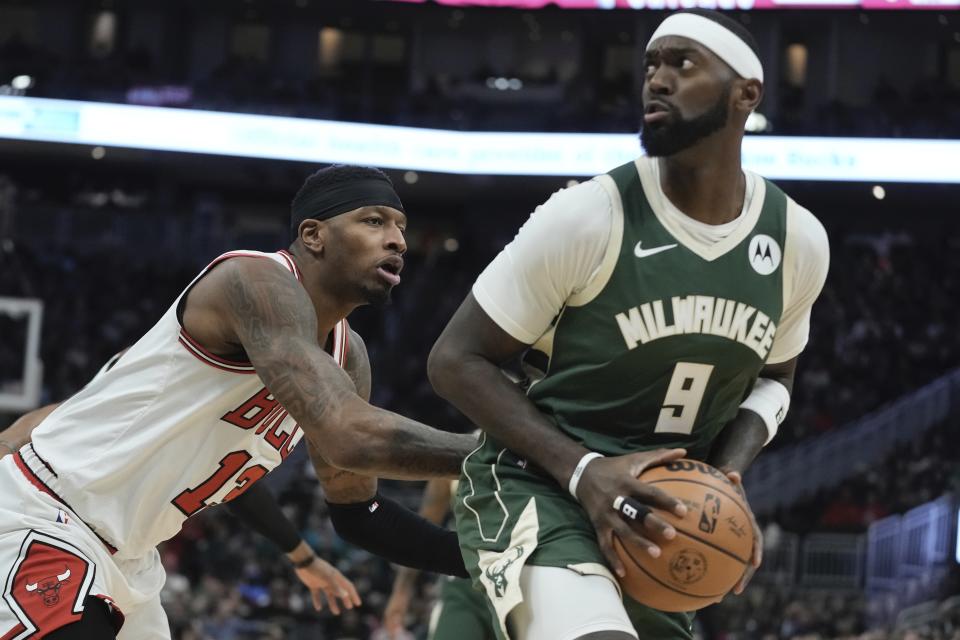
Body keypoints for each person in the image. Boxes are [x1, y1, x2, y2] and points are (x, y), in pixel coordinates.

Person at [428, 10, 830, 640]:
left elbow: (775, 379)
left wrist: (724, 478)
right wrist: (584, 470)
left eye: (683, 64)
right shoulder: (587, 216)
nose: (657, 80)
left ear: (746, 94)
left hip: (659, 510)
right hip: (541, 487)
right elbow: (454, 360)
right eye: (651, 65)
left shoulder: (797, 241)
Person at [0, 164, 474, 640]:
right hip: (45, 518)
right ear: (313, 235)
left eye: (401, 228)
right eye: (375, 221)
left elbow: (359, 515)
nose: (398, 241)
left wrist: (487, 560)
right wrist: (502, 455)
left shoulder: (348, 359)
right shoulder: (252, 280)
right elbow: (350, 436)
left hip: (130, 561)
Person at [0, 350, 360, 616]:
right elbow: (57, 416)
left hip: (133, 554)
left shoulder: (247, 398)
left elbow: (237, 484)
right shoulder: (172, 368)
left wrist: (302, 557)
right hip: (63, 517)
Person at [382, 479, 497, 640]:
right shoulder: (450, 461)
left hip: (524, 573)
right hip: (466, 584)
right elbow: (423, 530)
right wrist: (402, 590)